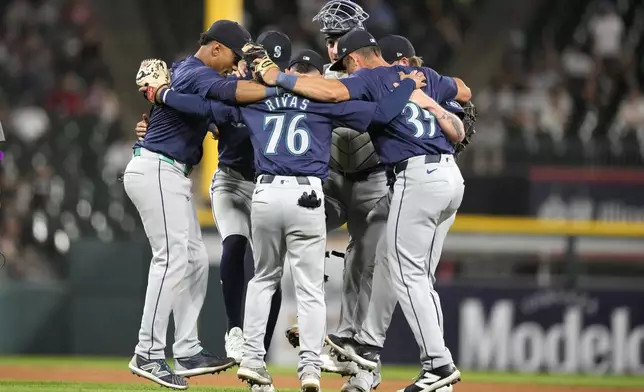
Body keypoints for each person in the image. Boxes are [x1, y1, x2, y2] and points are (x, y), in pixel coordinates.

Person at [142, 67, 429, 392]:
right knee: (309, 290)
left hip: (264, 193)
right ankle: (309, 369)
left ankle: (251, 359)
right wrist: (407, 85)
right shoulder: (324, 103)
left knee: (263, 279)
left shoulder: (259, 101)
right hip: (307, 194)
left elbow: (203, 108)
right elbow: (382, 115)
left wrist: (163, 96)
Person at [251, 28, 469, 392]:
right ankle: (410, 363)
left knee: (404, 272)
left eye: (345, 64)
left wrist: (279, 77)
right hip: (450, 177)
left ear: (352, 59)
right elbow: (463, 89)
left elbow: (333, 91)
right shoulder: (424, 75)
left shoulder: (367, 77)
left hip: (416, 176)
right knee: (415, 275)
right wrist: (427, 94)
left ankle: (437, 364)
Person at [125, 20, 282, 390]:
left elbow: (208, 112)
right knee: (173, 258)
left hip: (168, 171)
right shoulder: (195, 72)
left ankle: (187, 349)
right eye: (233, 55)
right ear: (214, 48)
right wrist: (275, 85)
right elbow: (236, 94)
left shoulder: (182, 72)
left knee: (194, 259)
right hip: (158, 170)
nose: (234, 64)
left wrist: (160, 105)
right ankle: (147, 352)